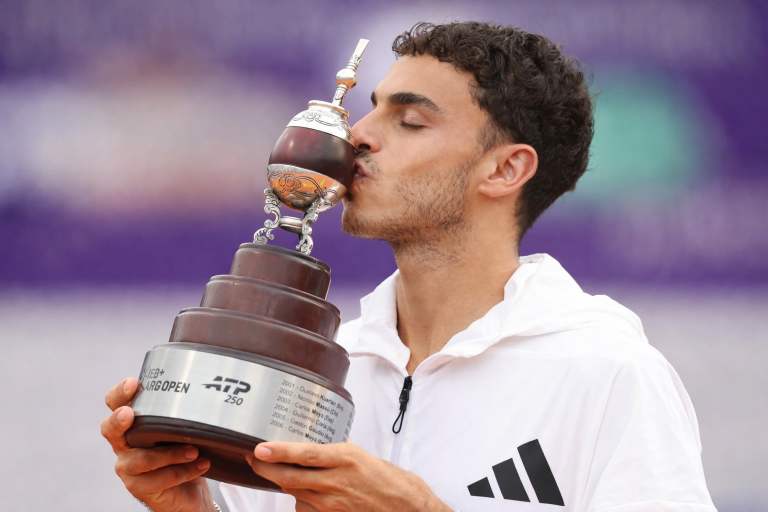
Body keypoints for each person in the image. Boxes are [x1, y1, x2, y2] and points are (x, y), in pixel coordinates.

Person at [102, 22, 716, 512]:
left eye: (411, 120)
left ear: (505, 170)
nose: (358, 135)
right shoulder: (310, 369)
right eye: (370, 110)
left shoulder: (607, 373)